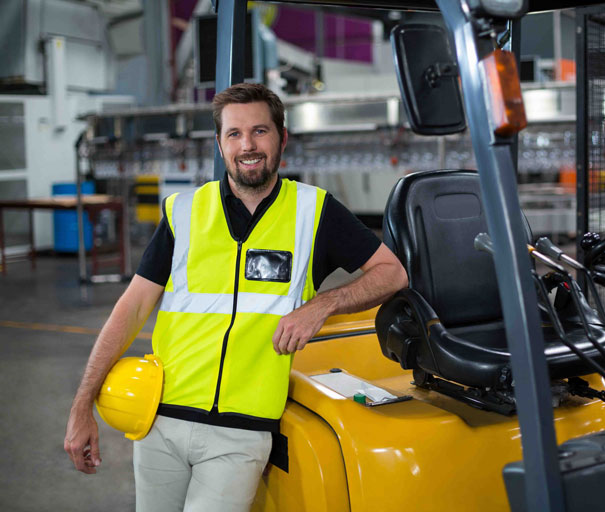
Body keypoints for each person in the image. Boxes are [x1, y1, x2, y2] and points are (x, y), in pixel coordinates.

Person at [64, 83, 408, 512]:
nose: (248, 145)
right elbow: (130, 308)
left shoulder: (314, 212)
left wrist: (322, 305)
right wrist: (82, 405)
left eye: (260, 131)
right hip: (160, 422)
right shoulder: (184, 212)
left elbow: (392, 273)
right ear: (220, 143)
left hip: (240, 434)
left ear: (282, 138)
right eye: (234, 133)